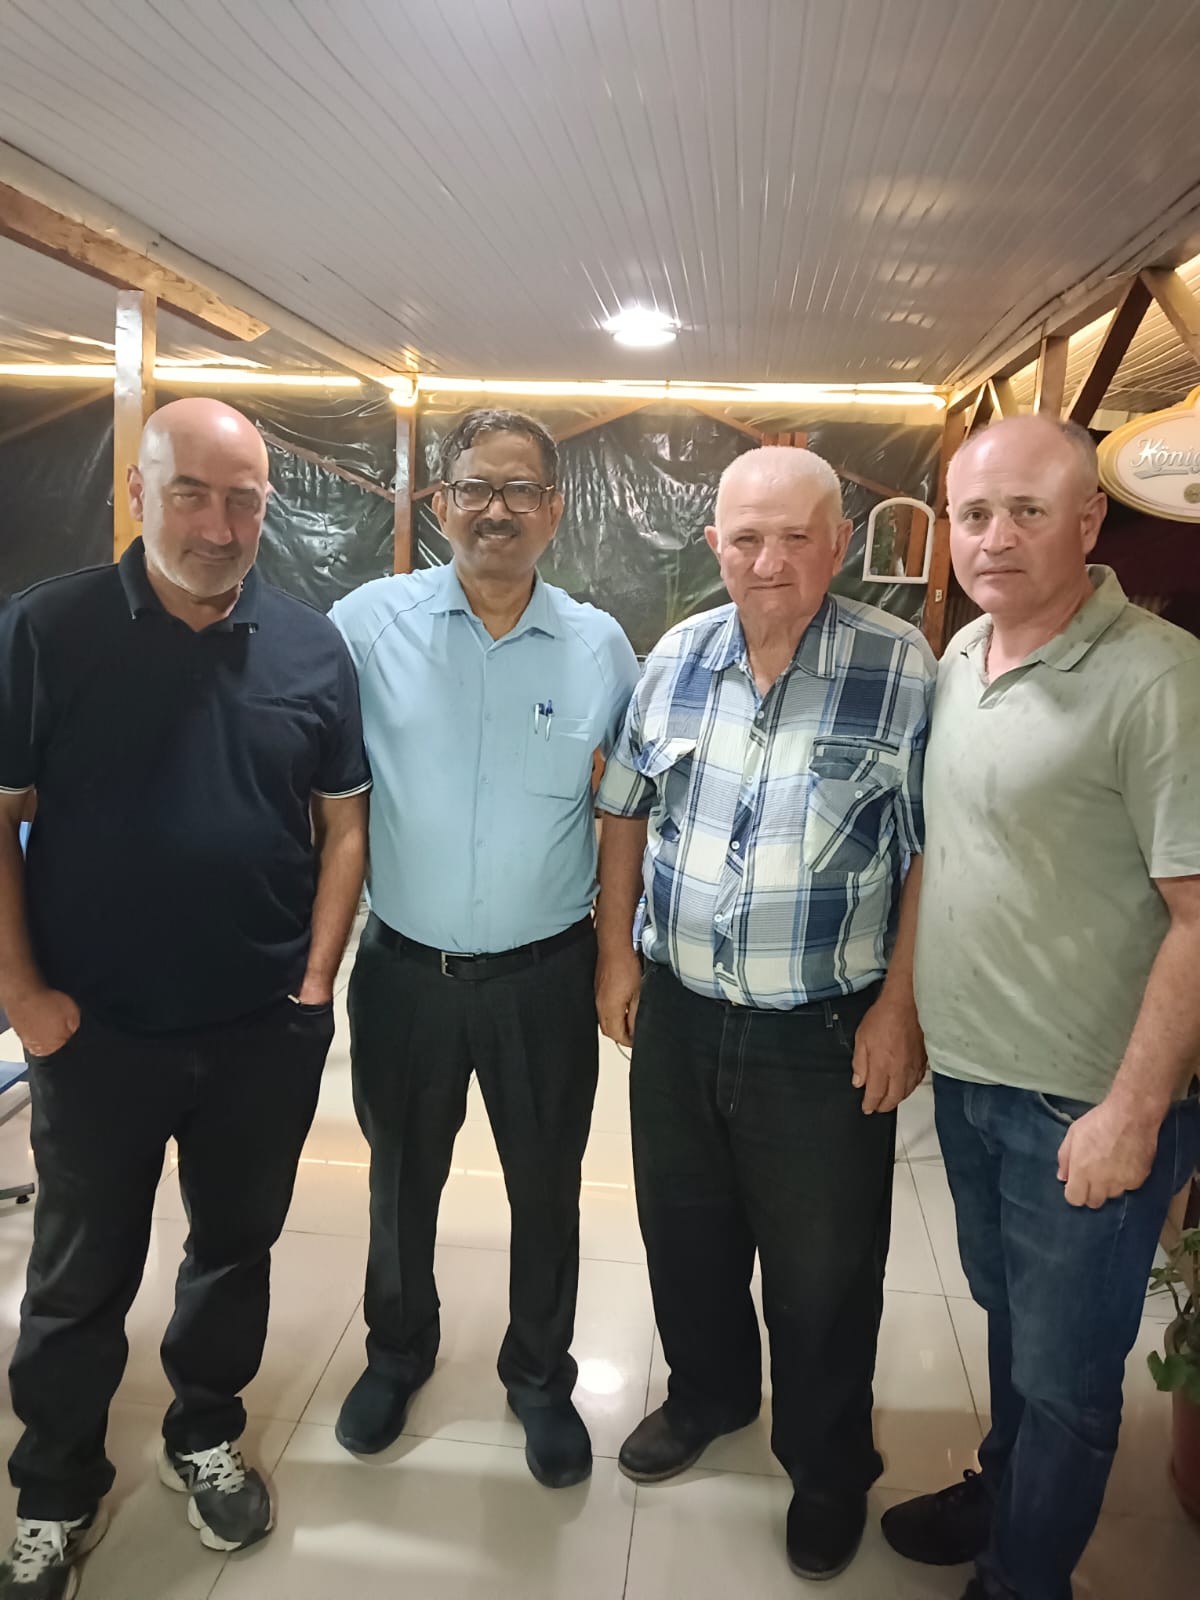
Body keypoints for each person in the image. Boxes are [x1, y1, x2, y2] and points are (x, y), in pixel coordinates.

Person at [0, 398, 370, 1600]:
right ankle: (54, 1488)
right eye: (190, 494)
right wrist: (25, 998)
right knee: (79, 1273)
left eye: (243, 499)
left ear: (268, 505)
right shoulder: (47, 629)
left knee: (233, 1249)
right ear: (136, 493)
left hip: (262, 1028)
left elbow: (344, 824)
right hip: (94, 1029)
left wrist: (313, 981)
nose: (217, 525)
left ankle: (203, 1430)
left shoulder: (311, 646)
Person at [594, 446, 934, 1579]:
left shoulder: (899, 664)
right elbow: (626, 807)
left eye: (796, 537)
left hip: (824, 1028)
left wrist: (900, 1003)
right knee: (683, 1232)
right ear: (715, 546)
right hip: (682, 1012)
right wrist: (615, 955)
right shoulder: (676, 657)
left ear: (840, 545)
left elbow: (931, 850)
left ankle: (828, 1465)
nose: (769, 560)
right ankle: (709, 1395)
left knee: (823, 1270)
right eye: (746, 537)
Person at [881, 415, 1200, 1600]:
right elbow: (950, 851)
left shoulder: (1159, 680)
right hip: (976, 1081)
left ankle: (1024, 1578)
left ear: (1089, 520)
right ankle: (1004, 1489)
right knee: (1010, 1318)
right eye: (974, 514)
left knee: (1067, 1379)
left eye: (1026, 511)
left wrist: (1134, 1112)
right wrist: (908, 1009)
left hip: (1086, 1100)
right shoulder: (965, 655)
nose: (996, 537)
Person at [329, 408, 639, 1489]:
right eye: (474, 487)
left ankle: (540, 1377)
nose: (495, 509)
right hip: (404, 971)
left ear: (554, 509)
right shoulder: (367, 625)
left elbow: (623, 810)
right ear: (440, 501)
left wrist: (617, 955)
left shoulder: (600, 648)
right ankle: (396, 1353)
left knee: (547, 1187)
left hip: (543, 976)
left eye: (519, 490)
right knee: (399, 1181)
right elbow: (314, 780)